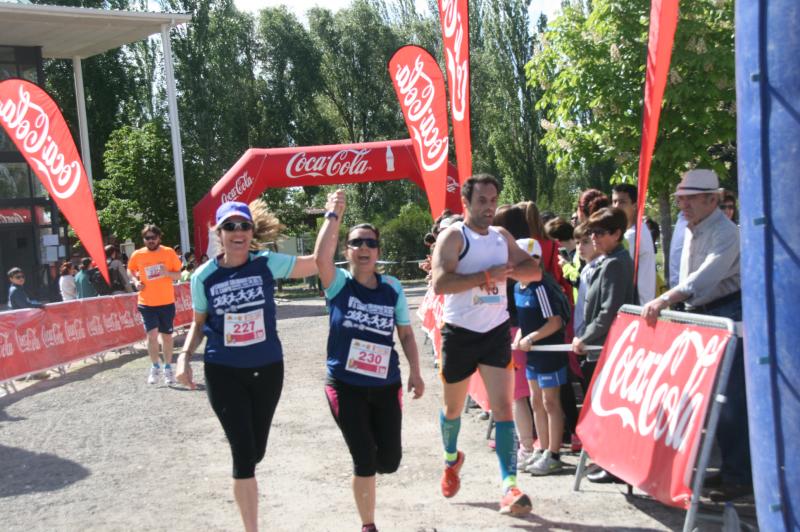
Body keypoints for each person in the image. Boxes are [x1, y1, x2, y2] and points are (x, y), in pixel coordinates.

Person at [175, 200, 318, 532]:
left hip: (267, 369)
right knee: (243, 454)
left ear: (252, 232)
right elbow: (199, 323)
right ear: (219, 233)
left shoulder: (266, 263)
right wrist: (184, 357)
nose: (237, 232)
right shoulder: (203, 276)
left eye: (244, 226)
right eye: (230, 226)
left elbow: (315, 263)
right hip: (222, 371)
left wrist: (332, 217)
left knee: (255, 451)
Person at [431, 174, 541, 515]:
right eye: (482, 201)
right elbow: (440, 284)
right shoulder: (453, 237)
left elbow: (534, 271)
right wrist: (487, 276)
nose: (489, 207)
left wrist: (513, 270)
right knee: (452, 409)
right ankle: (451, 458)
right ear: (466, 202)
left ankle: (510, 486)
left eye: (493, 201)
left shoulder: (501, 236)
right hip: (459, 333)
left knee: (504, 408)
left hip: (495, 332)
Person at [315, 190, 424, 532]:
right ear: (346, 250)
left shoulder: (392, 288)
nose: (363, 248)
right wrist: (333, 214)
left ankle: (371, 468)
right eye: (356, 242)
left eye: (370, 243)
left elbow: (406, 334)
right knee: (363, 458)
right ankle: (368, 526)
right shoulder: (337, 284)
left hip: (385, 384)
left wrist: (416, 372)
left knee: (388, 462)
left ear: (378, 251)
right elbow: (320, 257)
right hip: (344, 386)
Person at [641, 169, 750, 501]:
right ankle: (730, 470)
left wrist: (665, 300)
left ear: (712, 200)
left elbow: (704, 277)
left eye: (689, 199)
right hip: (704, 313)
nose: (683, 205)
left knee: (730, 398)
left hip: (726, 313)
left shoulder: (726, 233)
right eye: (680, 200)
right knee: (710, 396)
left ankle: (739, 476)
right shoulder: (692, 228)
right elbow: (689, 277)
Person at [571, 207, 636, 484]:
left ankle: (613, 463)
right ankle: (607, 460)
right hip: (600, 345)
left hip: (607, 347)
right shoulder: (609, 260)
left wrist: (585, 338)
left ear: (616, 233)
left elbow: (609, 311)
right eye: (591, 232)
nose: (594, 238)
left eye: (599, 233)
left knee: (607, 407)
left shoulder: (615, 264)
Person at [510, 246, 568, 476]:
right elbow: (524, 322)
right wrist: (520, 336)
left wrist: (532, 337)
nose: (530, 262)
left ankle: (553, 454)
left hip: (549, 352)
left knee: (550, 402)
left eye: (534, 257)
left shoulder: (542, 286)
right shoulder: (517, 287)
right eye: (525, 258)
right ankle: (541, 448)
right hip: (532, 354)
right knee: (536, 401)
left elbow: (555, 322)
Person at [492, 205, 537, 470]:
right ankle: (527, 443)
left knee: (519, 394)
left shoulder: (511, 261)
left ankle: (527, 446)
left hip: (514, 331)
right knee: (526, 395)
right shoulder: (526, 256)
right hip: (520, 330)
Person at [127, 225, 182, 385]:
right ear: (144, 239)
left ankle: (168, 368)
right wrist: (135, 281)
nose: (150, 240)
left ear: (159, 238)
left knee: (166, 336)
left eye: (153, 237)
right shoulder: (138, 254)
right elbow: (130, 269)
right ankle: (155, 366)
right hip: (146, 303)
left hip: (166, 302)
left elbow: (178, 274)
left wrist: (167, 273)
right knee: (151, 336)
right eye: (147, 238)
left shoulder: (168, 252)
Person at [611, 183, 656, 304]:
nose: (617, 206)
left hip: (636, 304)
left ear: (635, 205)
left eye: (622, 202)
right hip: (639, 302)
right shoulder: (636, 229)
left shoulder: (633, 235)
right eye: (614, 201)